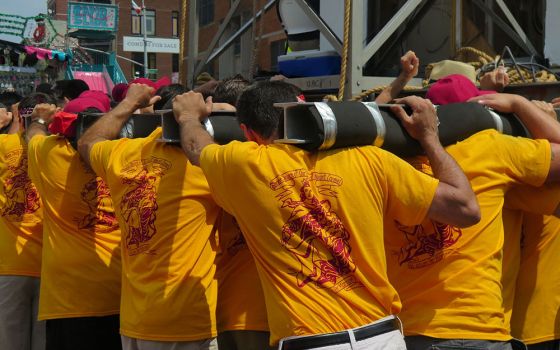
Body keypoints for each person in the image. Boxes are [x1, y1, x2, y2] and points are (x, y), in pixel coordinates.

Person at [172, 80, 480, 349]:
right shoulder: (369, 158)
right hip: (382, 338)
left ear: (247, 133)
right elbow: (465, 208)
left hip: (311, 342)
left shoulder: (246, 163)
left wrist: (187, 115)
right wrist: (429, 137)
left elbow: (196, 147)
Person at [383, 83, 560, 349]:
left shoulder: (383, 161)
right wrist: (522, 106)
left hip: (408, 331)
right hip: (483, 328)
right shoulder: (490, 149)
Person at [77, 83, 221, 350]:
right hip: (186, 323)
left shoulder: (124, 153)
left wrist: (129, 103)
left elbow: (88, 142)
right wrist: (195, 120)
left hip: (135, 320)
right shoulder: (207, 165)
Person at [26, 93, 123, 350]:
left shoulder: (49, 154)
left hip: (67, 301)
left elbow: (33, 136)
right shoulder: (123, 158)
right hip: (121, 295)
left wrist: (38, 119)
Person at [0, 93, 48, 350]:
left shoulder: (3, 146)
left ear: (19, 116)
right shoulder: (58, 149)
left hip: (9, 267)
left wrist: (14, 120)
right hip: (49, 267)